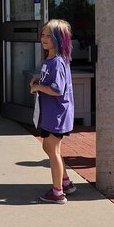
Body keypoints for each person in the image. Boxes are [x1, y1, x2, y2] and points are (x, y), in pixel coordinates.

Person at [29, 19, 76, 204]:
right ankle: (65, 182)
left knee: (53, 149)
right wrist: (38, 82)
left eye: (49, 35)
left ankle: (58, 193)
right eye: (43, 35)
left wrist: (38, 87)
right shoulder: (50, 60)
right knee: (48, 147)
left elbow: (57, 89)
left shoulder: (57, 62)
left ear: (60, 39)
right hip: (52, 113)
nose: (44, 39)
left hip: (58, 115)